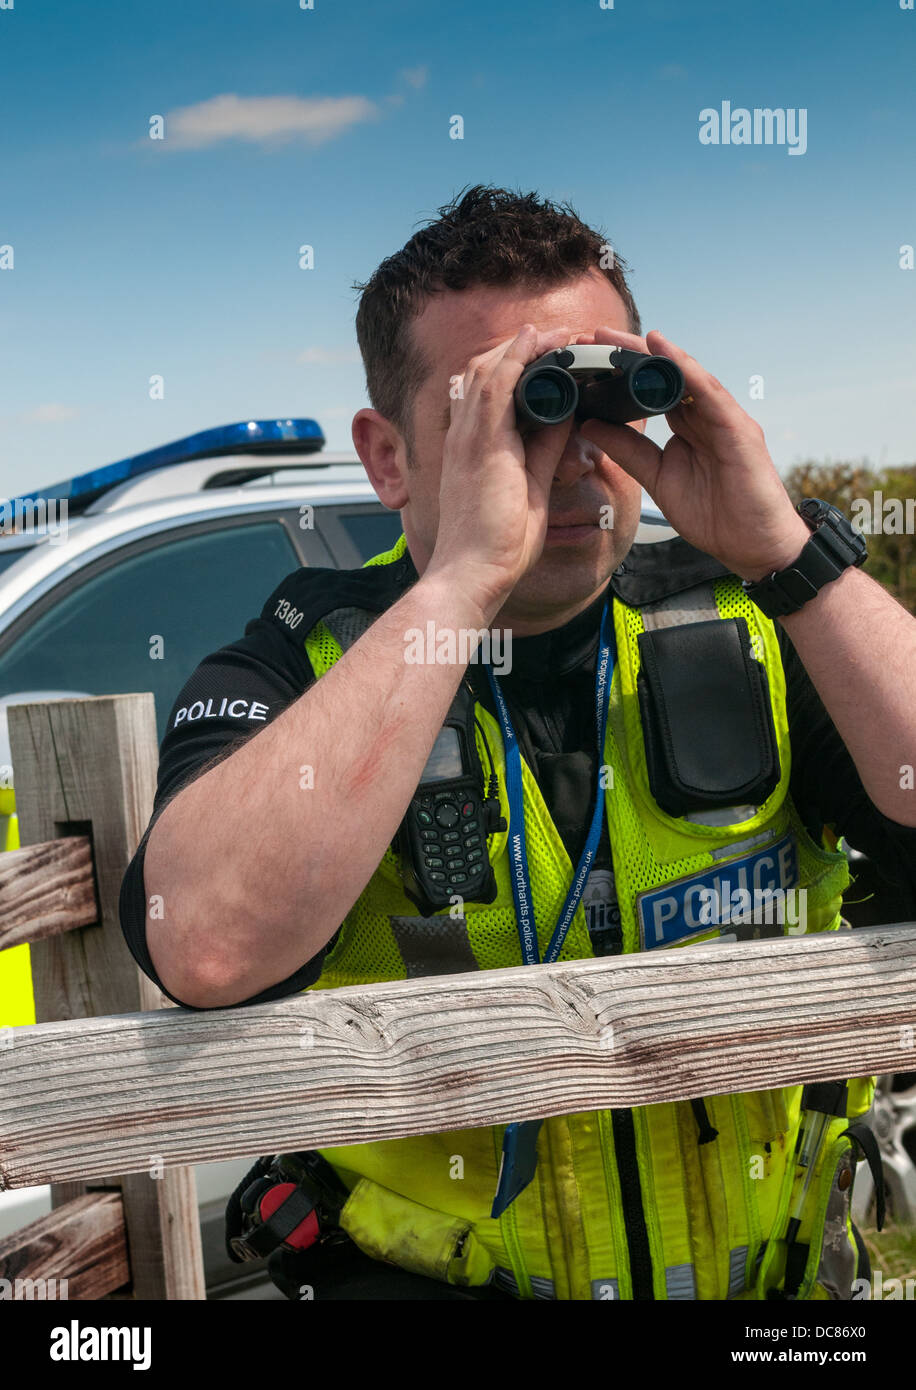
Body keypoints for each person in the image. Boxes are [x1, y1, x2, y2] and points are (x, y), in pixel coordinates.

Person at [119, 185, 916, 1301]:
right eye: (513, 412)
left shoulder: (755, 625)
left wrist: (787, 547)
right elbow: (203, 944)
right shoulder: (305, 662)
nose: (572, 456)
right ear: (389, 460)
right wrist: (459, 584)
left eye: (603, 404)